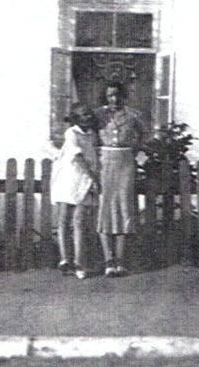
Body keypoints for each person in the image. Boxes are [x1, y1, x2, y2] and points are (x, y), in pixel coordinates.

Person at [94, 81, 144, 277]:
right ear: (105, 97)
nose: (114, 99)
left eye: (117, 95)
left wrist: (134, 150)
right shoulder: (99, 115)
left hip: (125, 163)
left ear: (123, 96)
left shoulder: (133, 115)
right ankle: (109, 261)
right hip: (105, 163)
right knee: (105, 211)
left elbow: (144, 134)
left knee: (124, 209)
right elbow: (88, 135)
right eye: (110, 95)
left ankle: (120, 261)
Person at [50, 104, 100, 280]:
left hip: (83, 181)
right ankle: (65, 259)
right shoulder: (71, 133)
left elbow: (94, 155)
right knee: (64, 220)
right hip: (69, 178)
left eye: (89, 114)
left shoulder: (91, 135)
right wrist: (92, 176)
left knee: (79, 222)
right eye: (83, 115)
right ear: (76, 118)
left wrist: (92, 176)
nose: (87, 117)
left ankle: (80, 262)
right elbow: (76, 156)